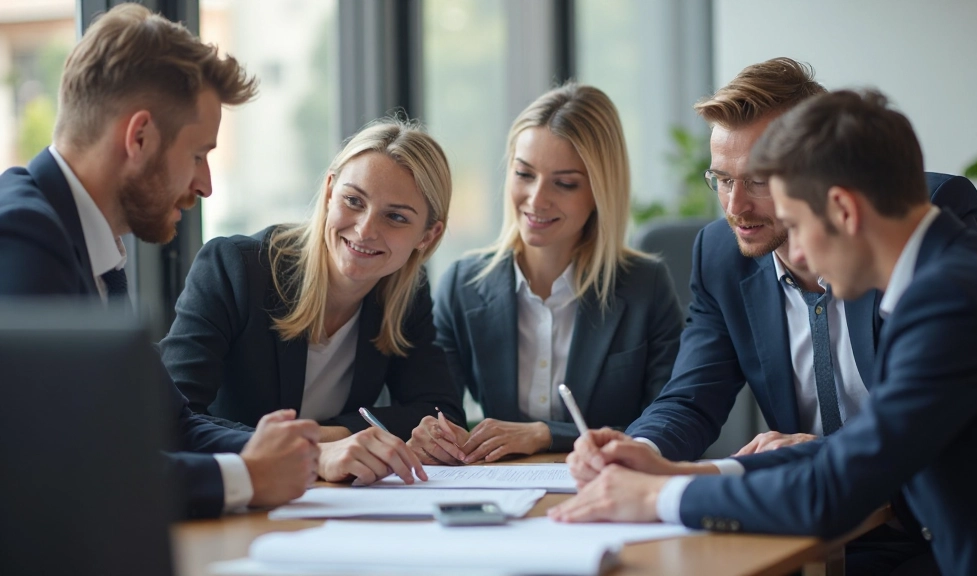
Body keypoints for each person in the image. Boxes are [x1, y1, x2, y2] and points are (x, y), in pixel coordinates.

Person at [551, 88, 977, 576]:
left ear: (844, 209)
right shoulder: (952, 275)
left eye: (795, 225)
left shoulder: (949, 302)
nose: (795, 256)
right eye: (723, 180)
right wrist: (683, 471)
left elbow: (833, 488)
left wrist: (660, 495)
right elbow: (856, 449)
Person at [1, 5, 388, 518]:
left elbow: (171, 425)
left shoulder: (90, 246)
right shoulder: (22, 238)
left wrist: (301, 455)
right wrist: (246, 477)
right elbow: (59, 468)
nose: (205, 185)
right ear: (139, 137)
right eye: (198, 155)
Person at [160, 118, 467, 473]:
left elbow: (441, 415)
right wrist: (315, 450)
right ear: (329, 192)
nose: (365, 230)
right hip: (235, 491)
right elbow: (168, 418)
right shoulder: (234, 268)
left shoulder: (403, 292)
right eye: (353, 200)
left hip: (333, 498)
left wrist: (335, 435)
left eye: (396, 217)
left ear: (428, 236)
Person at [406, 82, 683, 464]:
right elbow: (440, 408)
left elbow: (668, 423)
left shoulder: (645, 286)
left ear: (600, 191)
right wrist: (434, 433)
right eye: (524, 174)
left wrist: (546, 435)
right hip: (501, 484)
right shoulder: (463, 285)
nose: (536, 200)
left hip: (607, 479)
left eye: (564, 183)